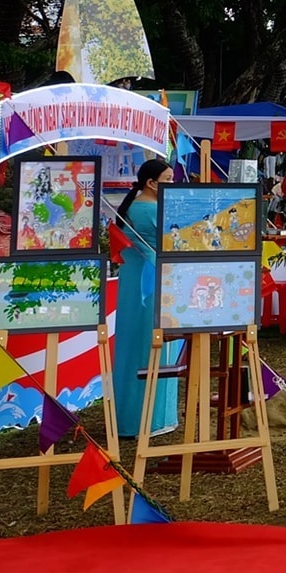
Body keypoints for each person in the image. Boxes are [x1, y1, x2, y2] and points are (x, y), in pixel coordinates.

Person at [111, 159, 179, 439]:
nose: (172, 184)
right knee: (151, 345)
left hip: (142, 282)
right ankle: (149, 419)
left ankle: (136, 418)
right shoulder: (148, 209)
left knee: (138, 346)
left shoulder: (137, 206)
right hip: (151, 284)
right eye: (168, 178)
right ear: (152, 183)